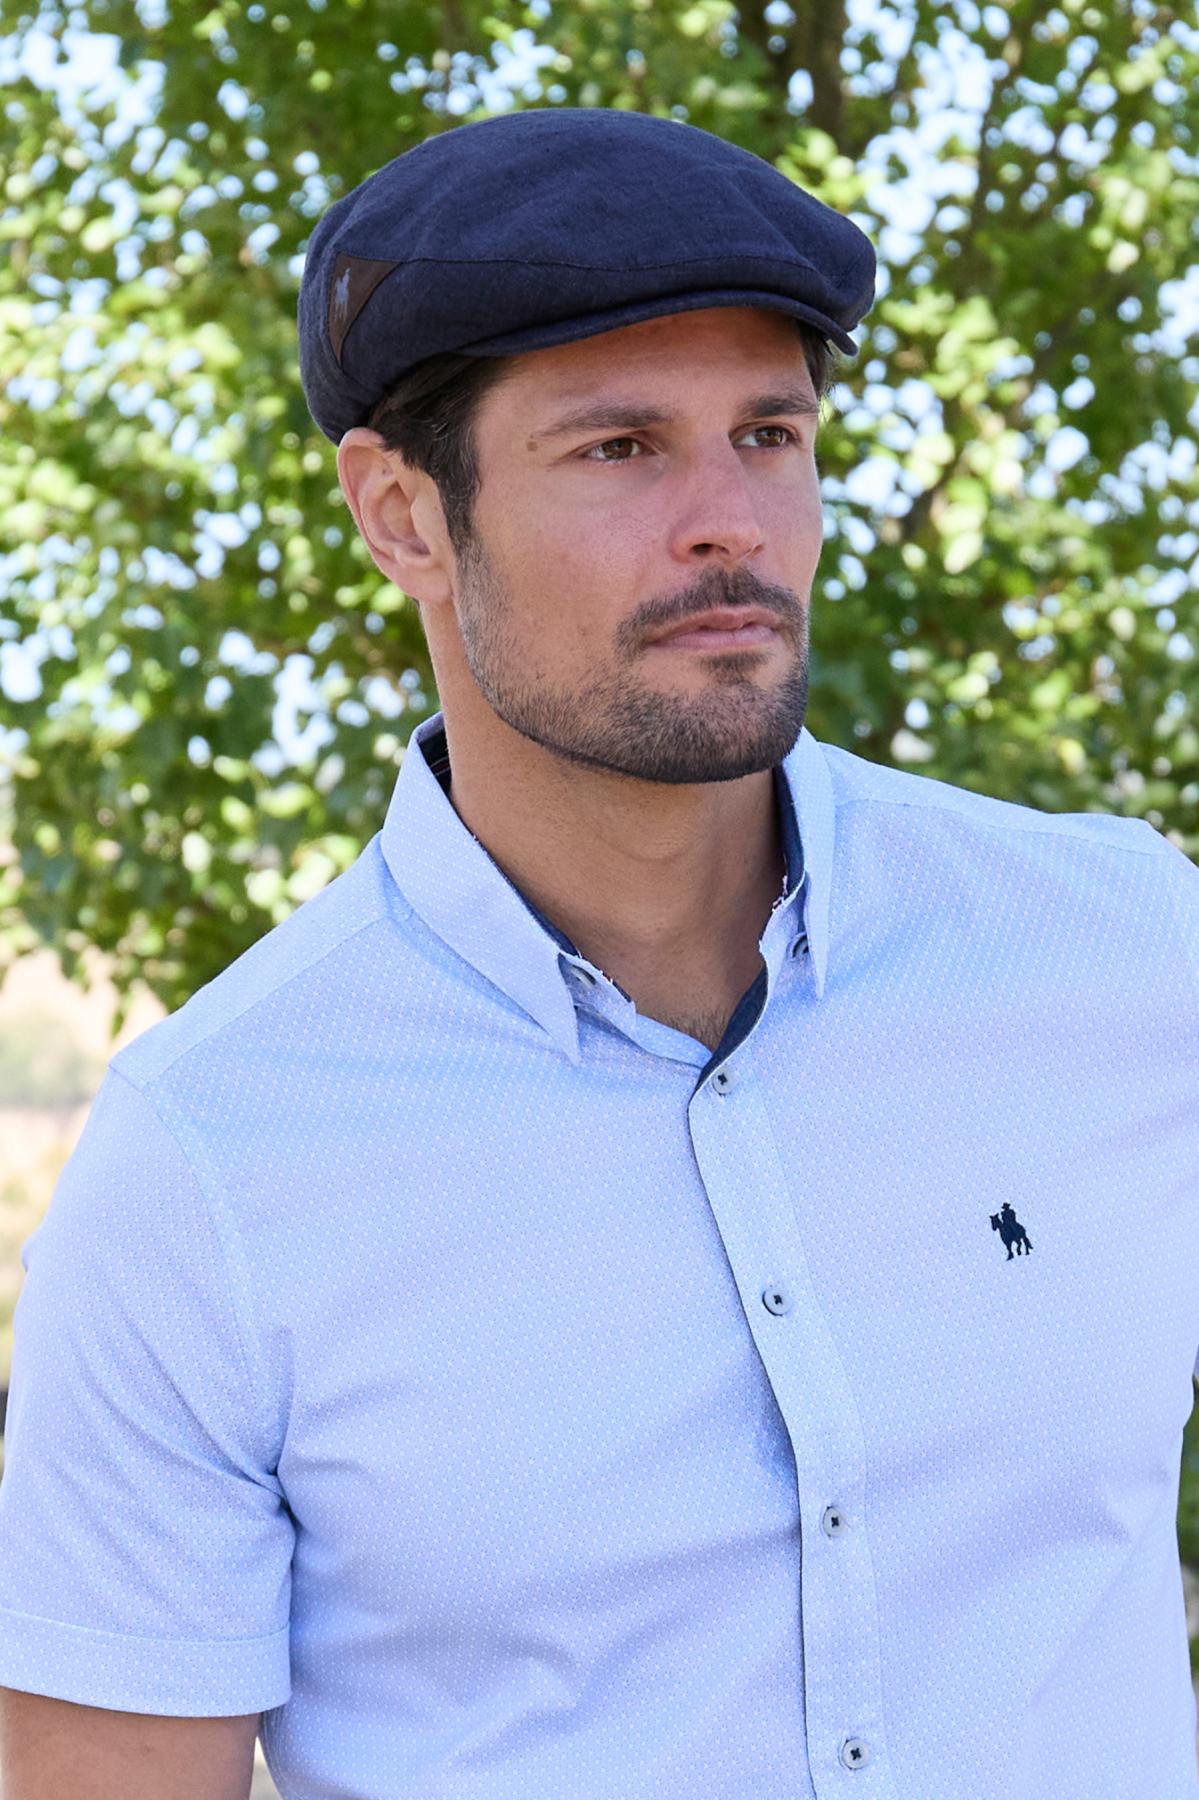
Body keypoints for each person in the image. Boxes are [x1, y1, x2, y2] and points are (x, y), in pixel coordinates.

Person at [0, 105, 1196, 1800]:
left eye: (769, 433)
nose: (733, 522)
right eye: (622, 448)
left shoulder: (1130, 959)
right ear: (403, 515)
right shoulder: (213, 1164)